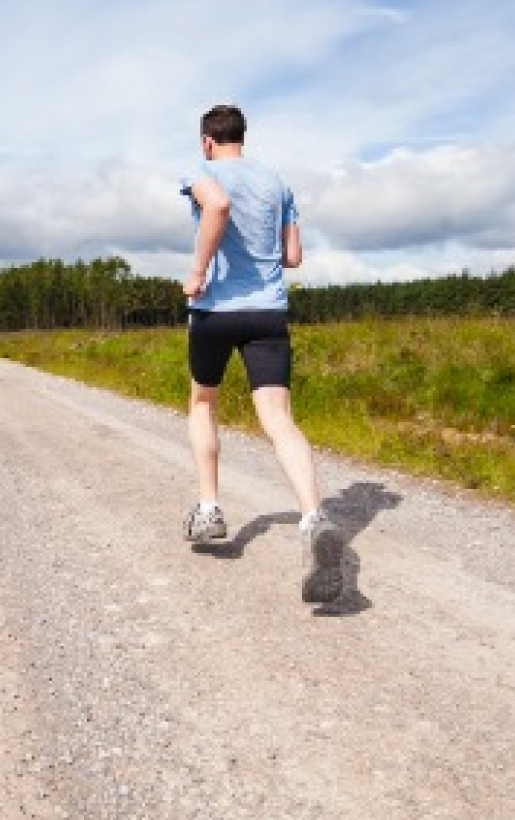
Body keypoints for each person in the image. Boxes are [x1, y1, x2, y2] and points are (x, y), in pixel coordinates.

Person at [179, 103, 346, 604]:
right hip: (268, 312)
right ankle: (314, 517)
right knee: (278, 419)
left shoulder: (201, 171)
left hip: (215, 310)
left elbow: (218, 207)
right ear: (242, 137)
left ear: (207, 141)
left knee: (204, 402)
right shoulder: (277, 182)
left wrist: (198, 270)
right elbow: (292, 256)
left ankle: (209, 510)